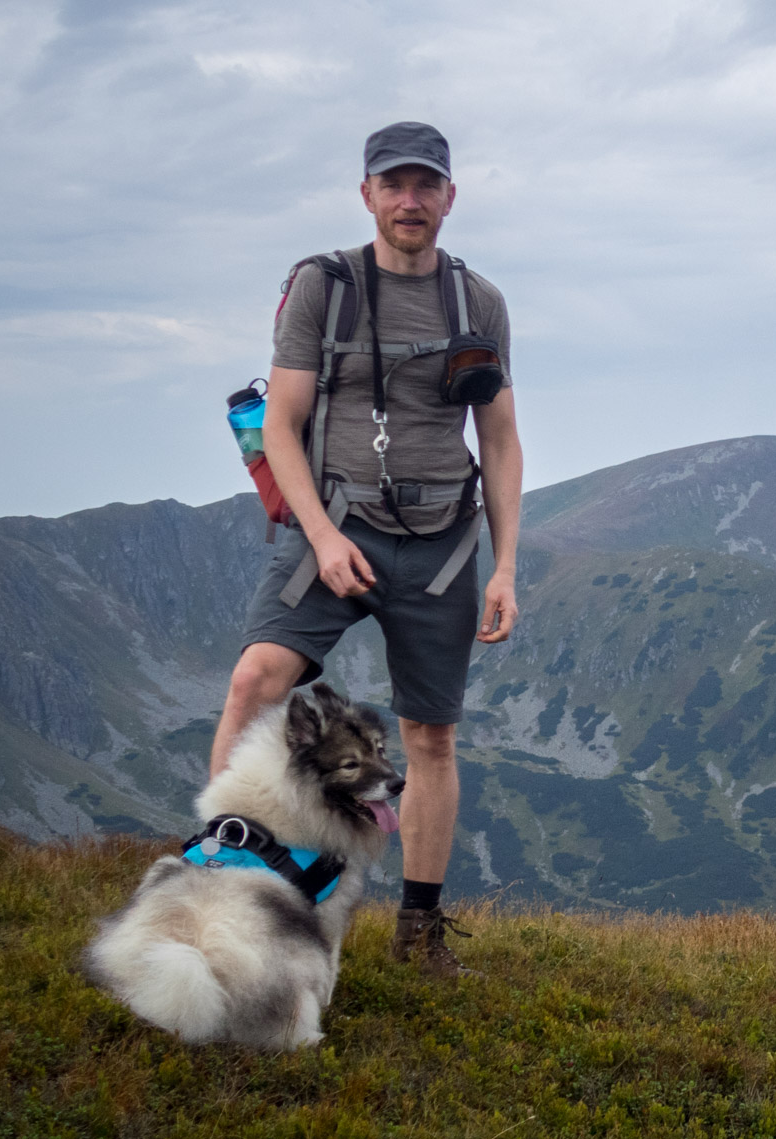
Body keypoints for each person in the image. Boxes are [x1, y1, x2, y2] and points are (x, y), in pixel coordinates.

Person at [209, 121, 523, 978]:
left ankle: (419, 930)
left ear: (450, 197)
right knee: (255, 679)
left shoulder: (478, 304)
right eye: (394, 186)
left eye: (427, 186)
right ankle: (220, 875)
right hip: (334, 523)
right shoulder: (326, 286)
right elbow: (281, 424)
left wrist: (504, 565)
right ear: (367, 195)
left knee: (430, 737)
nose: (410, 201)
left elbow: (498, 439)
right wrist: (321, 535)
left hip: (445, 543)